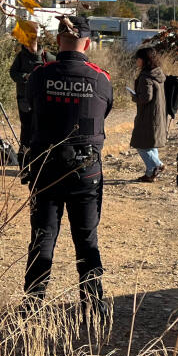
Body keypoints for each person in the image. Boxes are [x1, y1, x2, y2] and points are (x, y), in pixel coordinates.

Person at [22, 16, 112, 310]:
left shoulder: (39, 75)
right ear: (87, 43)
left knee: (42, 237)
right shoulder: (100, 78)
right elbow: (104, 112)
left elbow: (30, 112)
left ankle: (33, 303)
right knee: (87, 239)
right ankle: (93, 303)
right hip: (85, 171)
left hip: (45, 168)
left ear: (58, 41)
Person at [129, 46, 167, 182]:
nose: (137, 61)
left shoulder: (146, 77)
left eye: (138, 58)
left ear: (144, 60)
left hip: (148, 116)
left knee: (140, 144)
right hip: (158, 115)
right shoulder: (158, 74)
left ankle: (157, 164)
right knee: (150, 144)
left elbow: (146, 98)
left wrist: (134, 97)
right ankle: (150, 173)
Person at [9, 30, 48, 157]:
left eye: (30, 42)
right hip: (24, 98)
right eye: (26, 43)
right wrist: (25, 77)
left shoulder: (46, 56)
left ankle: (38, 154)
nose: (28, 46)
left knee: (40, 127)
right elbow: (13, 73)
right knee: (26, 127)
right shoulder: (20, 57)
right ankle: (23, 154)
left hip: (41, 100)